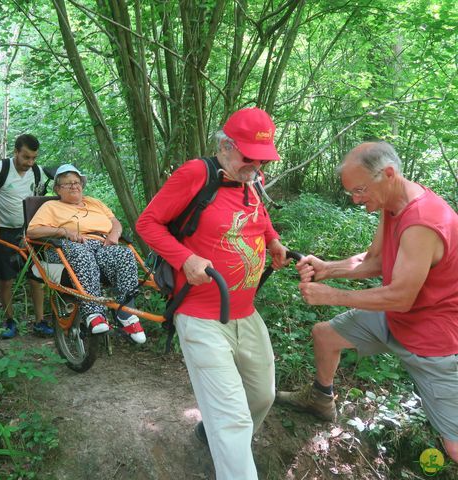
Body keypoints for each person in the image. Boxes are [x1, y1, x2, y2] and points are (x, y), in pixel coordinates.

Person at [276, 141, 458, 463]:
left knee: (454, 447)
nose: (357, 200)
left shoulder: (423, 222)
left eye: (360, 190)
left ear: (388, 174)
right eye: (351, 193)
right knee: (325, 335)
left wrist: (332, 296)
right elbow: (375, 260)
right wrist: (327, 269)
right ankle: (321, 399)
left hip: (433, 340)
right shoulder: (393, 205)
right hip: (397, 319)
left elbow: (401, 297)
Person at [136, 107, 288, 479]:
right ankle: (230, 451)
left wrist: (274, 241)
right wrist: (185, 258)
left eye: (261, 159)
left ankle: (214, 435)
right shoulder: (195, 174)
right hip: (200, 315)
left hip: (245, 313)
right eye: (249, 157)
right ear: (224, 146)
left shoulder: (248, 178)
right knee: (233, 418)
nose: (255, 166)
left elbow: (258, 216)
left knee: (262, 396)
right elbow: (147, 223)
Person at [26, 164, 146, 344]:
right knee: (81, 253)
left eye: (77, 182)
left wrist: (114, 235)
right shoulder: (51, 206)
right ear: (58, 189)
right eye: (68, 184)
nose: (74, 186)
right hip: (66, 247)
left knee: (124, 254)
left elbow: (115, 223)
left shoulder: (94, 202)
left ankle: (126, 314)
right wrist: (63, 231)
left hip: (102, 243)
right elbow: (32, 231)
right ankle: (93, 313)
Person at [0, 134, 51, 338]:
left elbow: (39, 199)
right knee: (6, 279)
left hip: (30, 232)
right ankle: (9, 321)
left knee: (37, 277)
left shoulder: (37, 173)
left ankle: (40, 321)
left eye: (34, 158)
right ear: (15, 152)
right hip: (2, 231)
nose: (30, 162)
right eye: (26, 157)